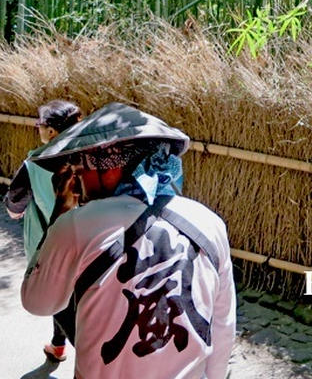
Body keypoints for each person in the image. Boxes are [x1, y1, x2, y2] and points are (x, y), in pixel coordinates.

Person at [20, 102, 236, 379]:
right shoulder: (208, 221)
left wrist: (61, 212)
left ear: (110, 168)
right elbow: (222, 324)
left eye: (80, 167)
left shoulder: (77, 225)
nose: (78, 179)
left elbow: (38, 302)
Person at [4, 99, 83, 364]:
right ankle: (57, 345)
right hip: (91, 240)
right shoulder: (89, 157)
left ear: (50, 131)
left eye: (41, 125)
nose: (38, 129)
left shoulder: (34, 164)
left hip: (51, 246)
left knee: (58, 299)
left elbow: (14, 206)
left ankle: (90, 359)